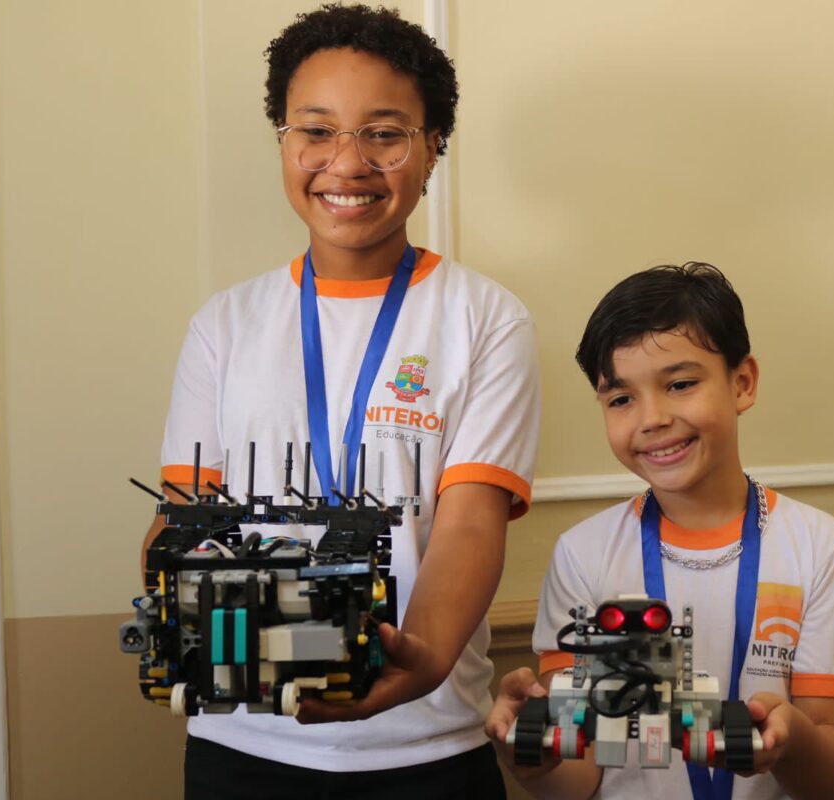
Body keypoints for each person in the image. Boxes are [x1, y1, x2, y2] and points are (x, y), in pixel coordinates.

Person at [144, 5, 538, 797]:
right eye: (315, 131)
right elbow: (184, 517)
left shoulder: (485, 317)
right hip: (242, 739)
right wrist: (182, 602)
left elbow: (468, 521)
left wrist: (419, 659)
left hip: (427, 744)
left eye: (385, 134)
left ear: (433, 150)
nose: (347, 163)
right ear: (284, 143)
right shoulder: (225, 325)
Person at [486, 264, 834, 800]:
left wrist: (791, 738)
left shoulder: (822, 549)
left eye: (681, 384)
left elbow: (831, 781)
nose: (653, 418)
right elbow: (575, 780)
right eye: (621, 399)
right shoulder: (583, 554)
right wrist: (529, 755)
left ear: (742, 382)